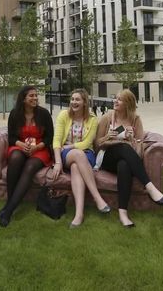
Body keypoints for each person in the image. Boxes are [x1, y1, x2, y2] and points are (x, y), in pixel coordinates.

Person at [94, 89, 163, 227]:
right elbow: (97, 144)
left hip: (126, 157)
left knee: (124, 165)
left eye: (120, 99)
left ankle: (123, 213)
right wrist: (108, 137)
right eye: (115, 98)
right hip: (106, 157)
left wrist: (132, 139)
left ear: (128, 103)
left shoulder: (135, 119)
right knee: (123, 147)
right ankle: (150, 186)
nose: (115, 101)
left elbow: (139, 151)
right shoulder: (107, 117)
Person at [49, 89, 110, 228]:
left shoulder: (92, 118)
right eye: (72, 99)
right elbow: (57, 140)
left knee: (76, 166)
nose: (74, 102)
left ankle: (78, 215)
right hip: (66, 154)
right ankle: (98, 198)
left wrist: (70, 146)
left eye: (77, 99)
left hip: (85, 153)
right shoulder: (63, 115)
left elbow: (87, 143)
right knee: (77, 154)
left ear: (84, 103)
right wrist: (58, 162)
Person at [0, 85, 54, 227]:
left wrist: (37, 147)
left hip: (40, 148)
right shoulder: (15, 114)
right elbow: (11, 137)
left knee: (30, 166)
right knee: (15, 158)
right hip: (20, 146)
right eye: (31, 96)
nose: (35, 98)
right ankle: (11, 202)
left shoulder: (44, 114)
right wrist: (20, 144)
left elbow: (49, 137)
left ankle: (8, 211)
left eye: (36, 95)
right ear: (23, 98)